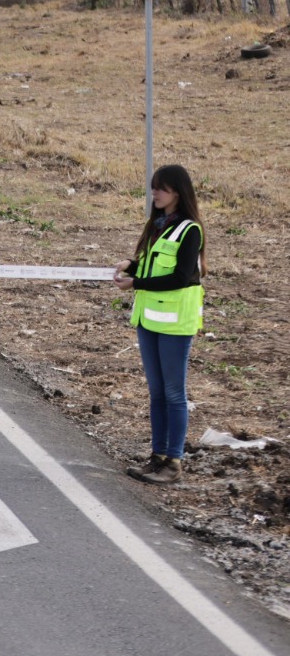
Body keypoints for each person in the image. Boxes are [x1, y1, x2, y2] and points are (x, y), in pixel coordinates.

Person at [114, 164, 206, 486]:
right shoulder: (159, 225)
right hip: (148, 319)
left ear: (177, 193)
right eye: (153, 187)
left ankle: (173, 461)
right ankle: (157, 457)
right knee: (156, 393)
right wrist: (132, 264)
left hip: (175, 323)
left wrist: (135, 283)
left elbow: (180, 277)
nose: (154, 193)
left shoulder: (189, 230)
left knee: (173, 393)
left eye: (161, 188)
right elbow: (154, 266)